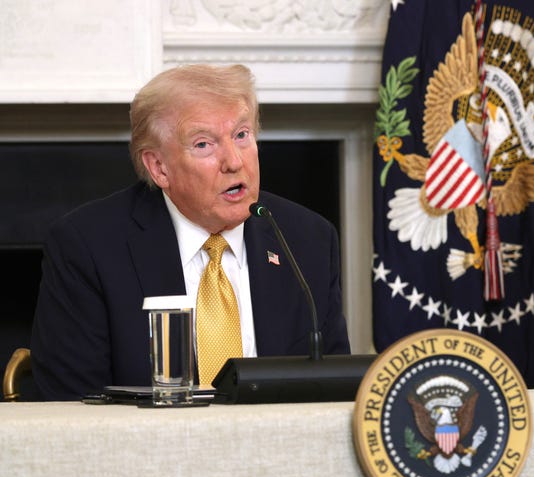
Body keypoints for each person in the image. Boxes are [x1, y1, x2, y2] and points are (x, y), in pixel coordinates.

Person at [31, 64, 351, 400]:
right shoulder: (88, 247)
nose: (234, 161)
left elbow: (334, 386)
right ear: (159, 167)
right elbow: (74, 405)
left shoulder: (307, 239)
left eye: (242, 135)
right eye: (204, 144)